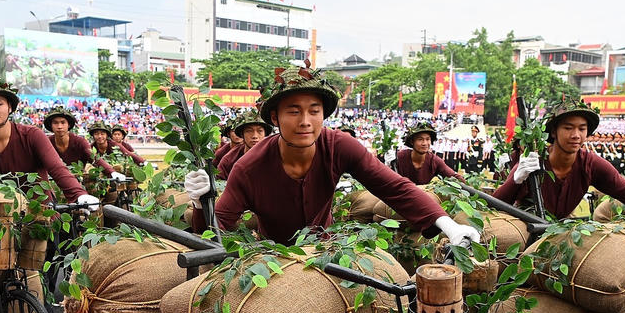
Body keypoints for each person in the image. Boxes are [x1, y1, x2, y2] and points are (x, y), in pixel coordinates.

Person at [183, 67, 477, 246]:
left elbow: (394, 187)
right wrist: (200, 204)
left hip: (328, 251)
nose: (305, 121)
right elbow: (216, 229)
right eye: (293, 111)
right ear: (275, 117)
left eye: (314, 110)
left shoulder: (339, 146)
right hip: (273, 257)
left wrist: (447, 224)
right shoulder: (249, 168)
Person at [492, 95, 625, 229]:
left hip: (560, 230)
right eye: (568, 128)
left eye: (582, 129)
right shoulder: (532, 160)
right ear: (554, 133)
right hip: (523, 226)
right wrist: (516, 178)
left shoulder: (590, 163)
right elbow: (495, 205)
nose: (576, 135)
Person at [0, 79, 96, 206]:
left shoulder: (32, 136)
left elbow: (57, 168)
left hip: (38, 216)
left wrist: (78, 194)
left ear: (10, 107)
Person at [392, 122, 458, 185]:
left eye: (428, 139)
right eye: (420, 139)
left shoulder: (434, 160)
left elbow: (454, 177)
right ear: (412, 142)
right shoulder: (400, 157)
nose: (425, 143)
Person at [215, 110, 274, 179]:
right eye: (249, 131)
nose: (255, 136)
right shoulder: (229, 160)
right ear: (242, 135)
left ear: (265, 134)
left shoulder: (274, 156)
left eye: (260, 131)